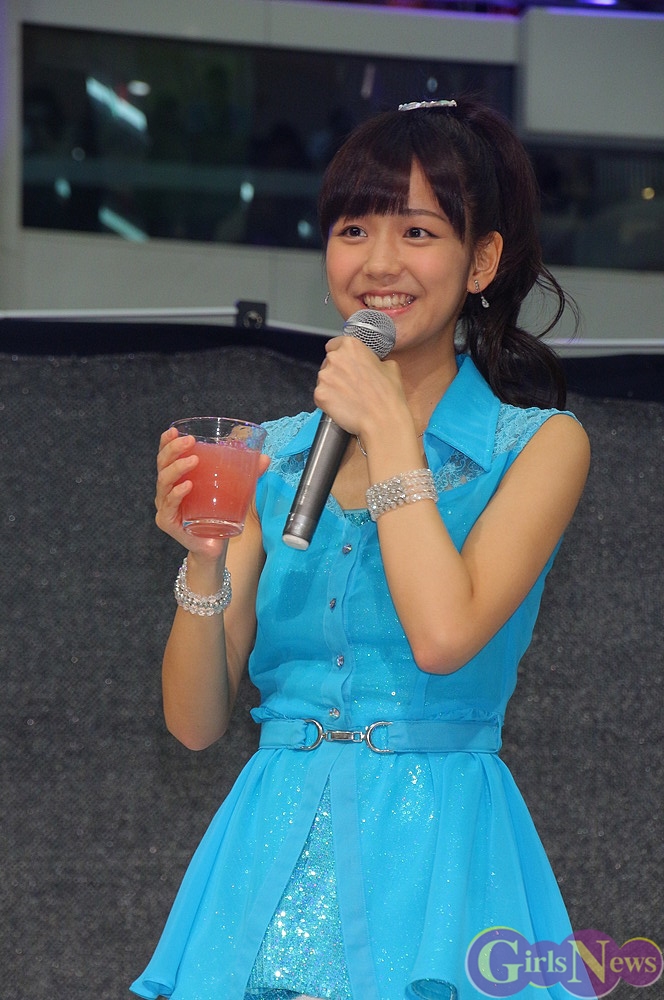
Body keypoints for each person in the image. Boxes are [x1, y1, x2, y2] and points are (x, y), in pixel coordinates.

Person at [131, 97, 593, 1000]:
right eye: (353, 230)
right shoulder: (269, 454)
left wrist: (388, 430)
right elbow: (194, 723)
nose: (379, 262)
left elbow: (445, 636)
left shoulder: (538, 447)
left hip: (439, 861)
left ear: (481, 261)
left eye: (417, 231)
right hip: (266, 857)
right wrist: (203, 556)